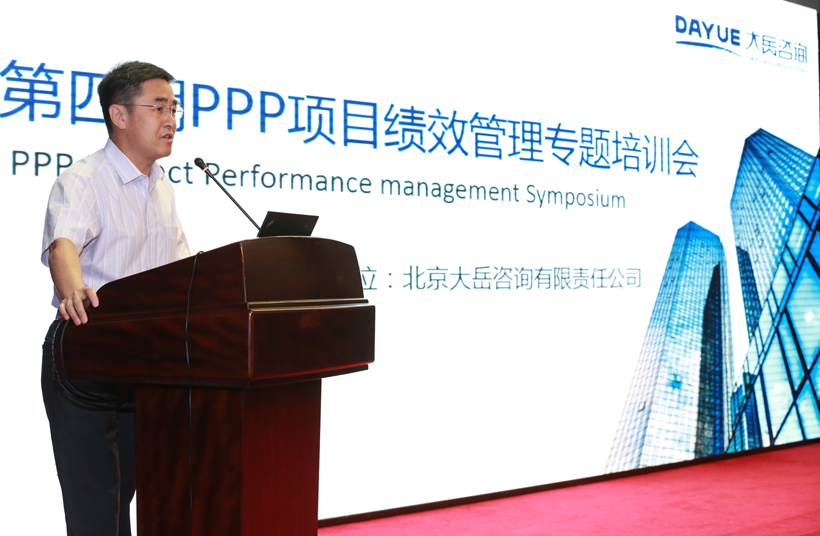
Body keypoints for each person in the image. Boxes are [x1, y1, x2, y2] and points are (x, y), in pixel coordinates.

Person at [41, 61, 190, 536]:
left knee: (128, 496)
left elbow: (182, 269)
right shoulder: (85, 178)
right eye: (159, 108)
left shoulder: (161, 185)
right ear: (119, 115)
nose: (171, 119)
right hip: (87, 355)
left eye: (174, 108)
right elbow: (63, 244)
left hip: (146, 363)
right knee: (96, 511)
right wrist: (73, 289)